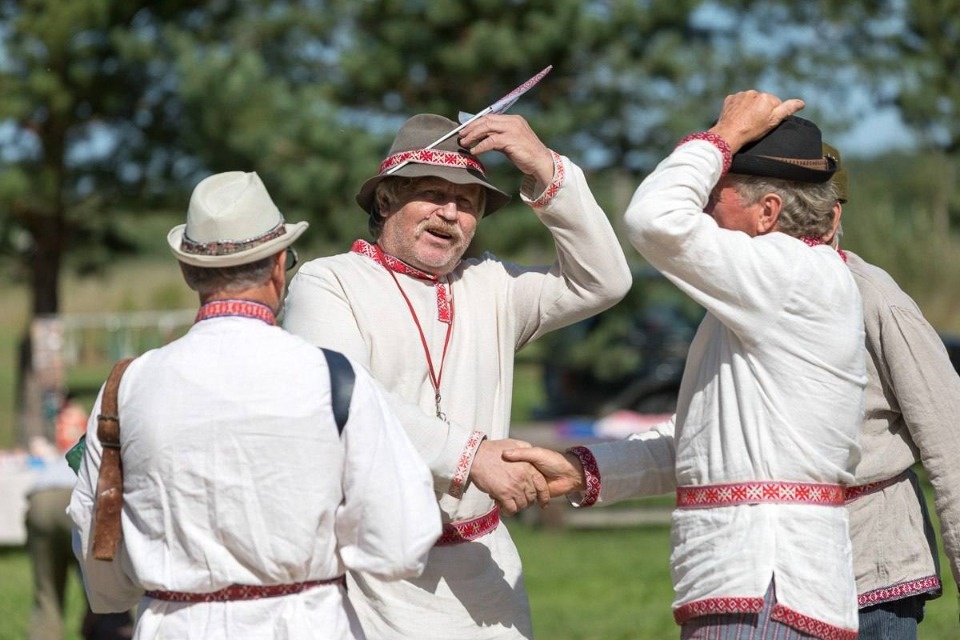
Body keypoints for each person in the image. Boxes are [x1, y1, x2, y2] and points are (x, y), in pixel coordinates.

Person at [505, 91, 867, 640]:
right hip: (762, 583)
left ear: (768, 213)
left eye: (714, 195)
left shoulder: (788, 272)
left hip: (766, 586)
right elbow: (702, 443)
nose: (702, 208)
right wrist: (585, 471)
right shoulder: (775, 293)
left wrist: (724, 135)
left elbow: (654, 220)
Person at [282, 112, 632, 638]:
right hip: (371, 576)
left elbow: (604, 280)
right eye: (431, 194)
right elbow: (343, 395)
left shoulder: (491, 284)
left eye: (467, 202)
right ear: (385, 200)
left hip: (485, 570)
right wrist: (470, 455)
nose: (450, 213)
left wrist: (544, 167)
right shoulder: (328, 281)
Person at [67, 171, 441, 640]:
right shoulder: (335, 378)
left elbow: (95, 528)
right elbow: (399, 540)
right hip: (307, 622)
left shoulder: (126, 385)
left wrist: (123, 592)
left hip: (176, 624)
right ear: (280, 265)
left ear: (188, 271)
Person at [823, 142, 960, 639]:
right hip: (788, 571)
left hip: (873, 569)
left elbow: (951, 441)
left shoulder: (875, 297)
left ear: (831, 215)